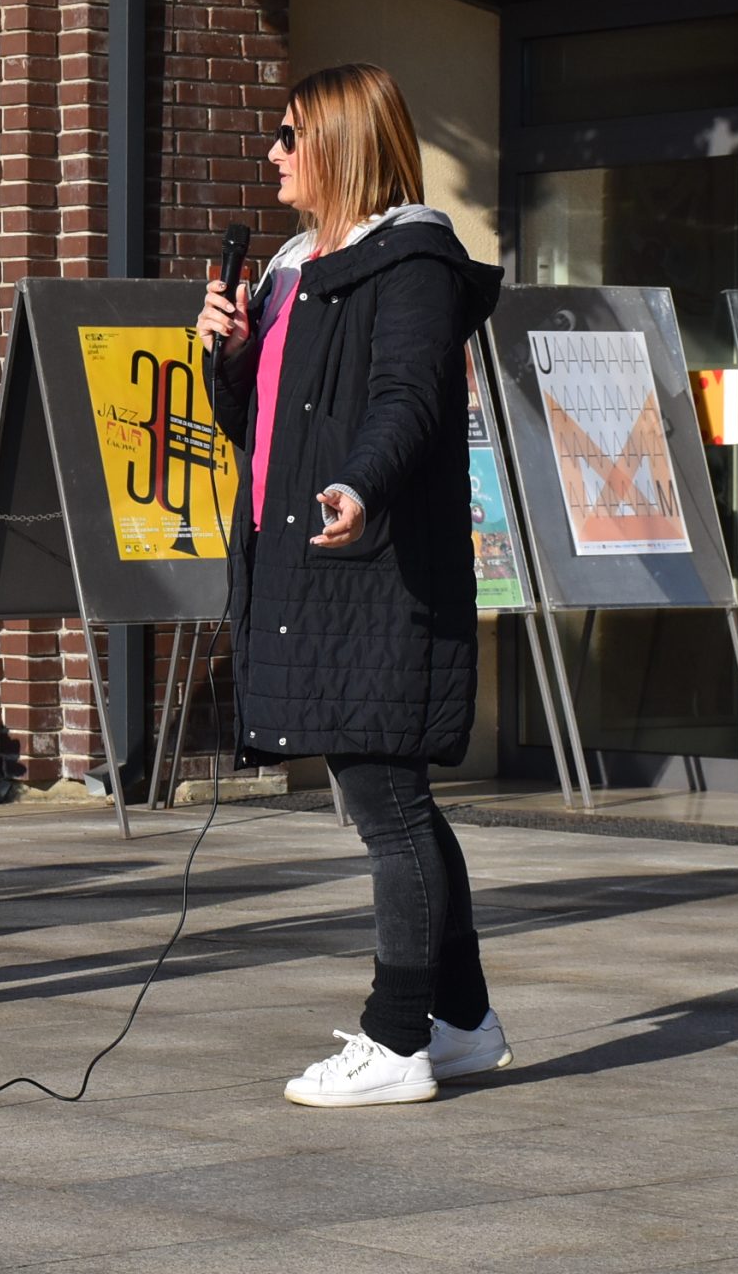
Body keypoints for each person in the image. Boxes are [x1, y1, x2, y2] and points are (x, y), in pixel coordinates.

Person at [195, 63, 510, 1107]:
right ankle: (459, 1019)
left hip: (372, 567)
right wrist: (228, 360)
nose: (273, 153)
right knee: (388, 798)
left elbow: (406, 399)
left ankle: (395, 1039)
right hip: (305, 559)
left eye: (288, 134)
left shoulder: (409, 262)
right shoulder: (293, 269)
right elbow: (265, 431)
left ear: (337, 143)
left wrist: (360, 488)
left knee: (386, 801)